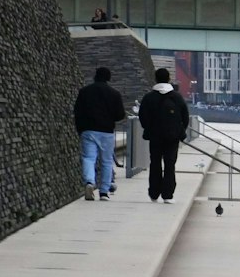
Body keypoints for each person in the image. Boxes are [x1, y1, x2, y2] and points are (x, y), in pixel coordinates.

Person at [137, 68, 190, 203]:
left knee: (155, 163)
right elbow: (185, 117)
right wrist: (179, 131)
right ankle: (167, 194)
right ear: (168, 79)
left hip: (155, 137)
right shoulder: (177, 97)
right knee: (170, 164)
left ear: (156, 79)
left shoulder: (149, 97)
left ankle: (154, 192)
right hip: (172, 137)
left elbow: (142, 116)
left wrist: (149, 129)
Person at [72, 67, 125, 200]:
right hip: (107, 132)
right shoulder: (114, 94)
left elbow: (77, 112)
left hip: (88, 130)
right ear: (108, 78)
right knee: (106, 162)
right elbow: (120, 115)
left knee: (89, 158)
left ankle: (90, 182)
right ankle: (104, 192)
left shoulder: (85, 92)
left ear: (95, 76)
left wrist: (80, 129)